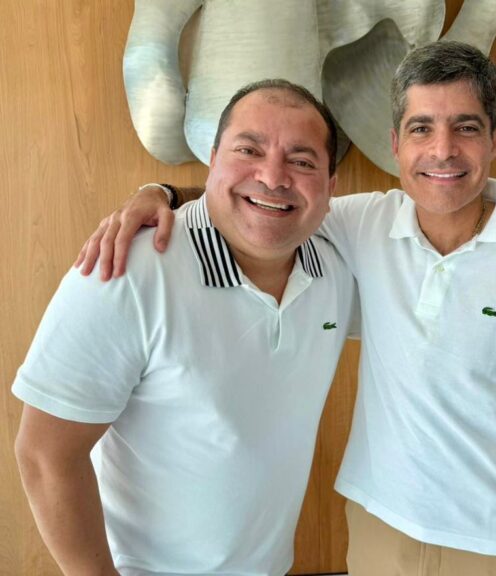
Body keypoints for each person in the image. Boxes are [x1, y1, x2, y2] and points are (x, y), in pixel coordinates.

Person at [77, 42, 496, 576]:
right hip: (377, 519)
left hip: (495, 537)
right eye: (421, 128)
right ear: (396, 143)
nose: (442, 150)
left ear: (495, 138)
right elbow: (259, 202)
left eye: (466, 127)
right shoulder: (361, 222)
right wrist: (161, 191)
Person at [13, 79, 357, 576]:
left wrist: (164, 190)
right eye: (248, 150)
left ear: (331, 185)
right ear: (213, 159)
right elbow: (45, 455)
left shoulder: (336, 266)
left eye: (302, 161)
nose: (272, 176)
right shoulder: (126, 270)